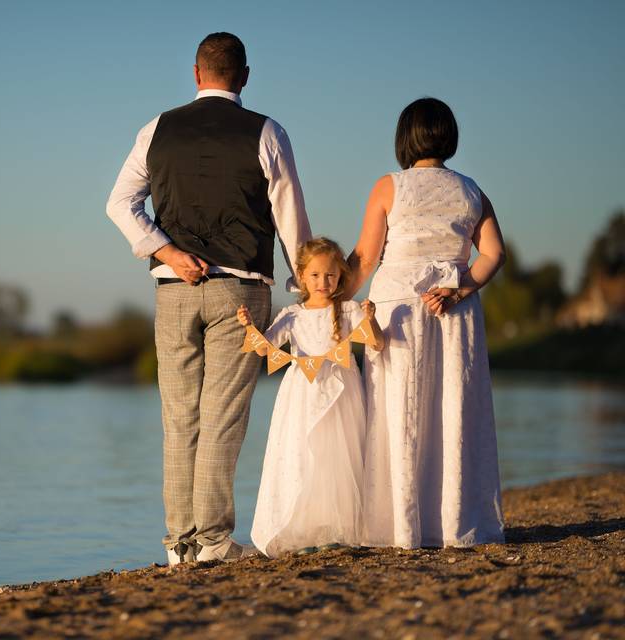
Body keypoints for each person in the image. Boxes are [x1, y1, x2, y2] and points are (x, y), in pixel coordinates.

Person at [106, 32, 311, 565]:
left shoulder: (157, 129)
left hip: (174, 290)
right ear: (244, 76)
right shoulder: (267, 131)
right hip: (240, 290)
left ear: (196, 75)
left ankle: (180, 546)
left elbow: (119, 204)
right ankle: (215, 542)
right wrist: (306, 284)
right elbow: (289, 218)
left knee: (179, 419)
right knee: (222, 417)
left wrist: (168, 252)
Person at [345, 97, 507, 548]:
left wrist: (327, 295)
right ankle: (453, 523)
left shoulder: (388, 186)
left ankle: (401, 527)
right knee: (453, 408)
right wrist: (459, 289)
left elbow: (364, 257)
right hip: (453, 307)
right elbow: (493, 254)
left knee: (399, 411)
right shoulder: (473, 190)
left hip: (397, 308)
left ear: (404, 139)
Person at [237, 237, 384, 556]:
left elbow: (378, 344)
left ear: (340, 276)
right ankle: (302, 531)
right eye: (315, 275)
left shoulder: (348, 309)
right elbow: (266, 348)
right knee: (303, 455)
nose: (323, 282)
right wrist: (250, 328)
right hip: (302, 392)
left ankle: (336, 528)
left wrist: (370, 319)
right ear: (302, 276)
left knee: (336, 456)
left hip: (341, 392)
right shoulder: (292, 314)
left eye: (330, 275)